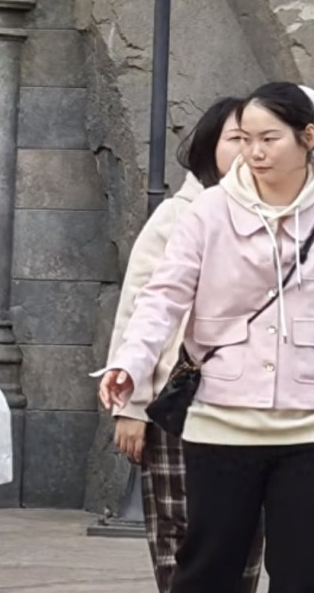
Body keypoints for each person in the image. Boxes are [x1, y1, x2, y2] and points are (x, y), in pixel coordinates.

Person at [98, 82, 314, 593]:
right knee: (207, 571)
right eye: (245, 139)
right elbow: (161, 298)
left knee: (305, 574)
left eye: (269, 138)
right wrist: (130, 364)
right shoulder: (209, 210)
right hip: (220, 421)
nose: (255, 152)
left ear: (308, 137)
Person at [109, 97, 263, 592]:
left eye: (258, 139)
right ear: (209, 147)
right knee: (181, 534)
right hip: (181, 406)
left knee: (244, 537)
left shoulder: (274, 218)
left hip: (250, 410)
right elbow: (139, 309)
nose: (248, 150)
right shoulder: (179, 215)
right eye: (235, 139)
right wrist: (131, 405)